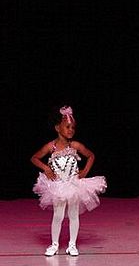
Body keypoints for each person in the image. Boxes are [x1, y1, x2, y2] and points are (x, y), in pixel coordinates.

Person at [31, 105, 107, 257]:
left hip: (74, 185)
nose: (71, 130)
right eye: (67, 127)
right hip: (58, 186)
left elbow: (91, 155)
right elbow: (34, 158)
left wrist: (84, 171)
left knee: (73, 215)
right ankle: (54, 244)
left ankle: (72, 245)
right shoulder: (51, 147)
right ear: (57, 128)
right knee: (58, 216)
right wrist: (46, 168)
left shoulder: (75, 145)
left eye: (73, 127)